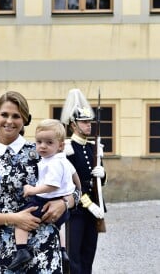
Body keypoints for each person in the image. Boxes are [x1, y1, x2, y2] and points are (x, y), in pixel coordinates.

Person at [0, 91, 78, 273]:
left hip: (45, 249)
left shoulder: (42, 150)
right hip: (4, 251)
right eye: (4, 114)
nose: (9, 121)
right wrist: (15, 218)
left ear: (25, 119)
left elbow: (75, 191)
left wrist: (64, 203)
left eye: (16, 116)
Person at [8, 119, 77, 271]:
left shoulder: (52, 162)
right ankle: (63, 250)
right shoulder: (60, 159)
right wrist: (72, 190)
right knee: (60, 225)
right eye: (39, 142)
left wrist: (32, 190)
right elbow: (74, 175)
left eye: (48, 142)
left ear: (60, 145)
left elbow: (52, 185)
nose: (43, 146)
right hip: (59, 205)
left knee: (21, 221)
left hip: (46, 202)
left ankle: (21, 250)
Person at [60, 89, 107, 274]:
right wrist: (88, 204)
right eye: (84, 122)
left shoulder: (95, 147)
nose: (89, 125)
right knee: (74, 256)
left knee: (89, 253)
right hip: (77, 210)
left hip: (94, 209)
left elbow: (100, 184)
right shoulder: (68, 150)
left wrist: (102, 174)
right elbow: (70, 186)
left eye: (90, 122)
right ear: (73, 125)